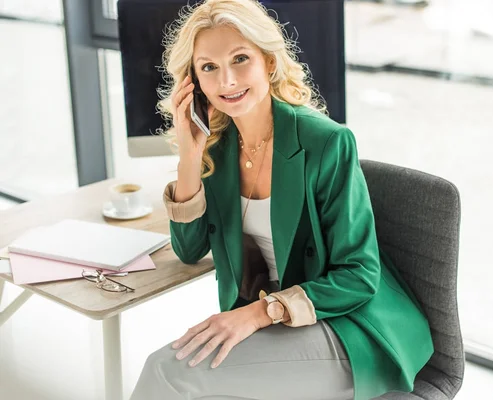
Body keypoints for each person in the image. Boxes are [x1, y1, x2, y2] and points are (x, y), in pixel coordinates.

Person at [130, 1, 434, 399]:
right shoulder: (218, 151)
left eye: (240, 59)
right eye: (208, 67)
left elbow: (359, 274)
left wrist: (259, 313)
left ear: (268, 63)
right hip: (273, 325)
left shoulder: (326, 142)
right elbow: (189, 250)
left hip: (345, 326)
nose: (227, 80)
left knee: (168, 372)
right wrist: (189, 156)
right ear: (194, 83)